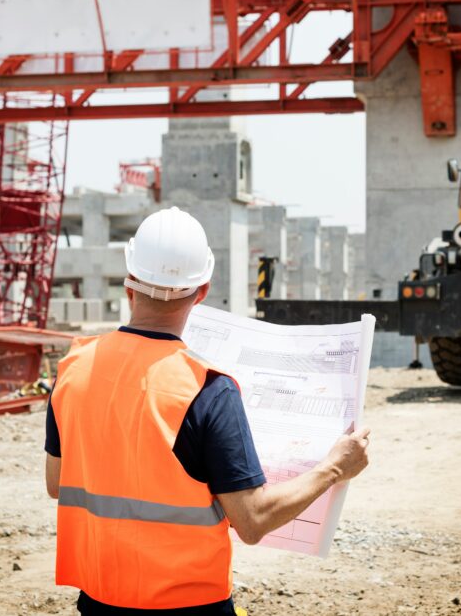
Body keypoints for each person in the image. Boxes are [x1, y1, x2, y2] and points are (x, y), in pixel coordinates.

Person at [44, 206, 371, 615]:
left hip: (99, 601)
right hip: (188, 605)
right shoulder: (208, 390)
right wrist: (334, 468)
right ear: (201, 291)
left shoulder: (72, 370)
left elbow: (58, 483)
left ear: (129, 286)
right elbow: (252, 521)